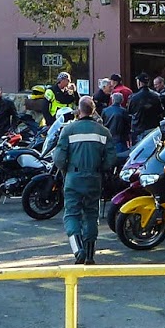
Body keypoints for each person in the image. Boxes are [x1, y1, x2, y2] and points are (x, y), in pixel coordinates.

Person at [53, 96, 109, 264]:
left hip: (74, 177)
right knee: (91, 214)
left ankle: (78, 250)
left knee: (71, 214)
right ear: (93, 110)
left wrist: (66, 170)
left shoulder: (69, 130)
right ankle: (90, 255)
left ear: (79, 110)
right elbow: (110, 159)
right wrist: (99, 169)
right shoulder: (103, 131)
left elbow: (59, 158)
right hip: (94, 178)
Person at [101, 91, 131, 163]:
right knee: (121, 158)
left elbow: (102, 123)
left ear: (113, 100)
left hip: (108, 137)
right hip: (120, 138)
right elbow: (127, 125)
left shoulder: (105, 111)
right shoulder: (124, 111)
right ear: (122, 100)